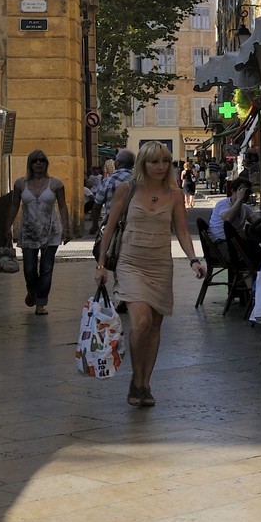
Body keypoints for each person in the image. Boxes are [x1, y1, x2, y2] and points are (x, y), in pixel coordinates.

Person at [96, 141, 206, 408]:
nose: (160, 166)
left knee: (155, 326)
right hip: (130, 263)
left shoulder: (174, 194)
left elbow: (181, 230)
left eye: (165, 161)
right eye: (154, 161)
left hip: (160, 264)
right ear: (142, 164)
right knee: (142, 322)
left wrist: (193, 259)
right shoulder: (127, 189)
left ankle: (145, 383)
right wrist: (101, 268)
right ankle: (136, 377)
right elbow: (108, 230)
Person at [5, 149, 72, 316]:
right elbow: (14, 205)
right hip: (28, 231)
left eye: (42, 160)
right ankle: (32, 290)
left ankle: (41, 302)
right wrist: (7, 226)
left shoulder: (56, 184)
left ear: (46, 163)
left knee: (47, 269)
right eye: (35, 160)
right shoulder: (20, 184)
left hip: (51, 231)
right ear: (30, 164)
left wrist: (67, 227)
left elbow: (62, 206)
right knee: (29, 268)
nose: (39, 163)